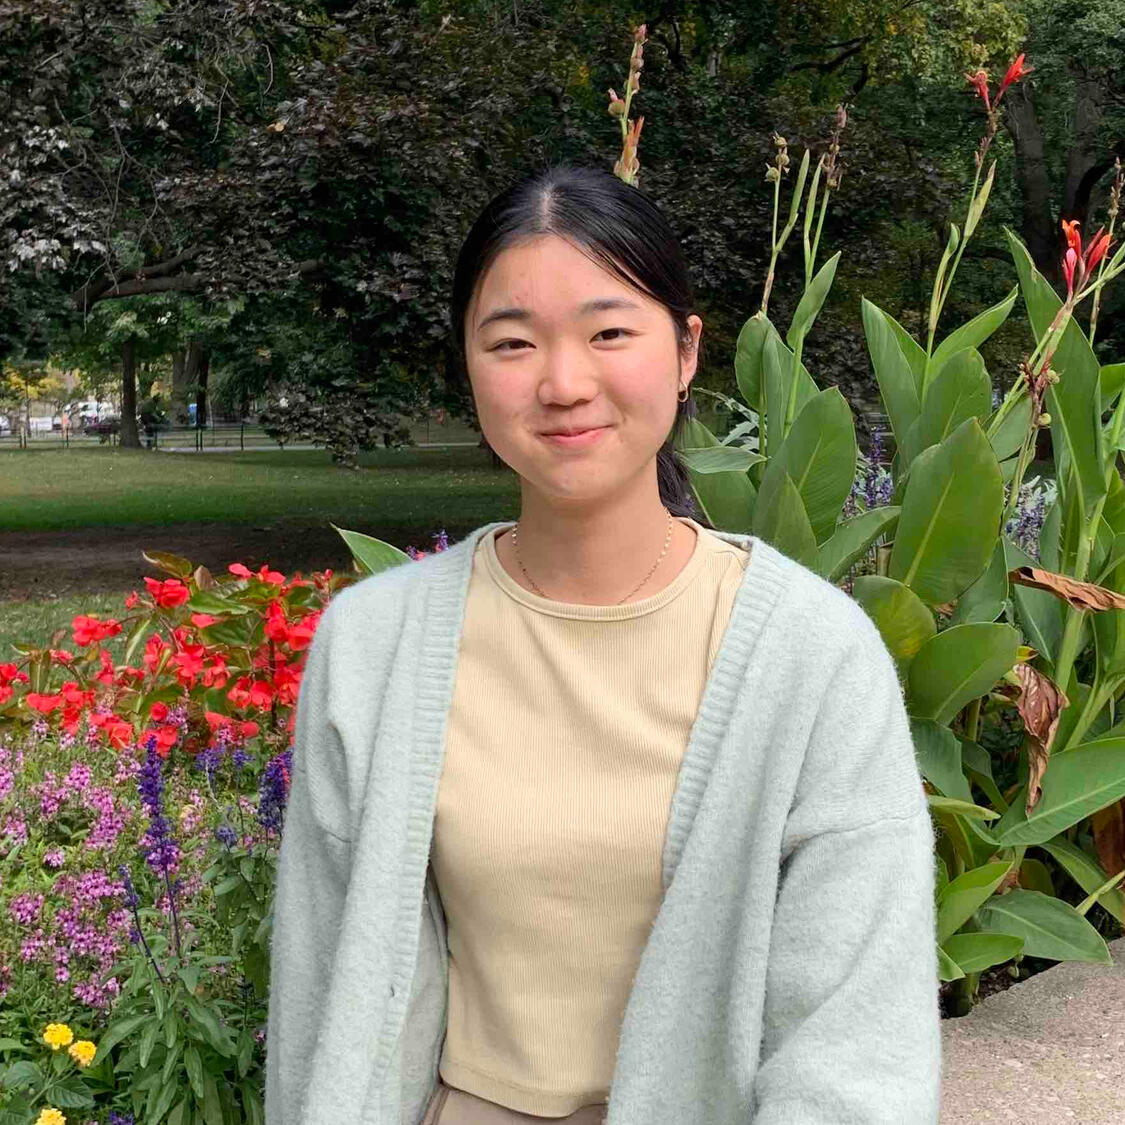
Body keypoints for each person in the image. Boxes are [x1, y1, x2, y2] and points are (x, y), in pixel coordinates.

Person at [264, 164, 942, 1125]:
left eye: (609, 332)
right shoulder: (373, 647)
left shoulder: (811, 657)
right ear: (468, 365)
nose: (563, 383)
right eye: (512, 342)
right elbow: (321, 999)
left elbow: (853, 1048)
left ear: (685, 351)